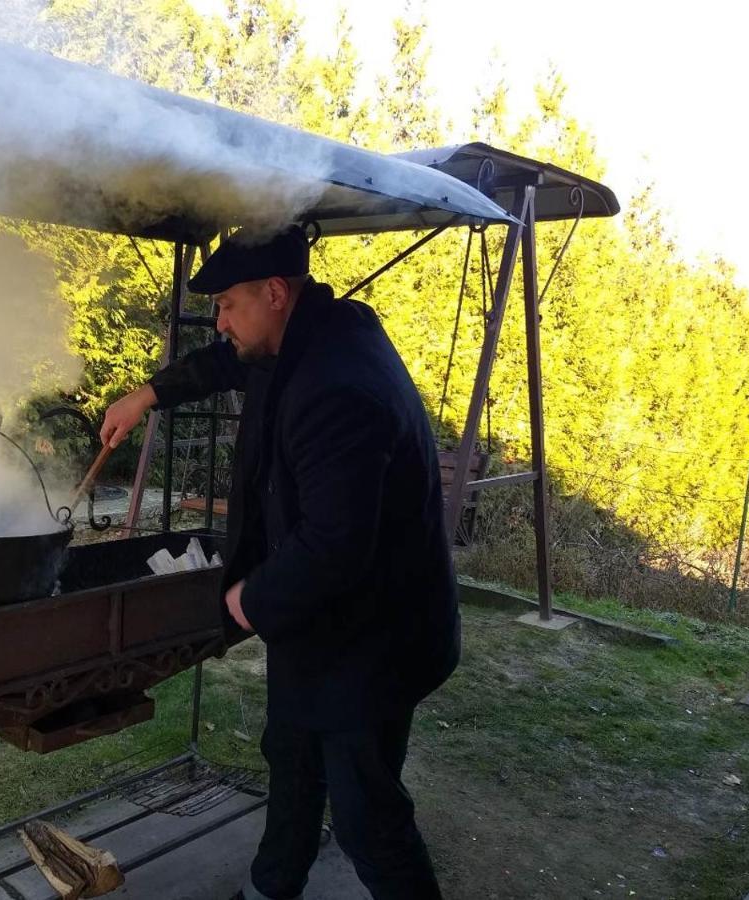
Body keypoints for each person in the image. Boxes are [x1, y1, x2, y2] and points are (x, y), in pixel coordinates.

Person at [100, 225, 459, 900]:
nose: (221, 319)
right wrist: (145, 396)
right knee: (291, 758)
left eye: (229, 303)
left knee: (365, 817)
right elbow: (223, 360)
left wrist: (245, 602)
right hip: (324, 623)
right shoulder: (303, 332)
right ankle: (272, 888)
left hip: (375, 639)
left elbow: (333, 548)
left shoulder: (339, 386)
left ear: (273, 292)